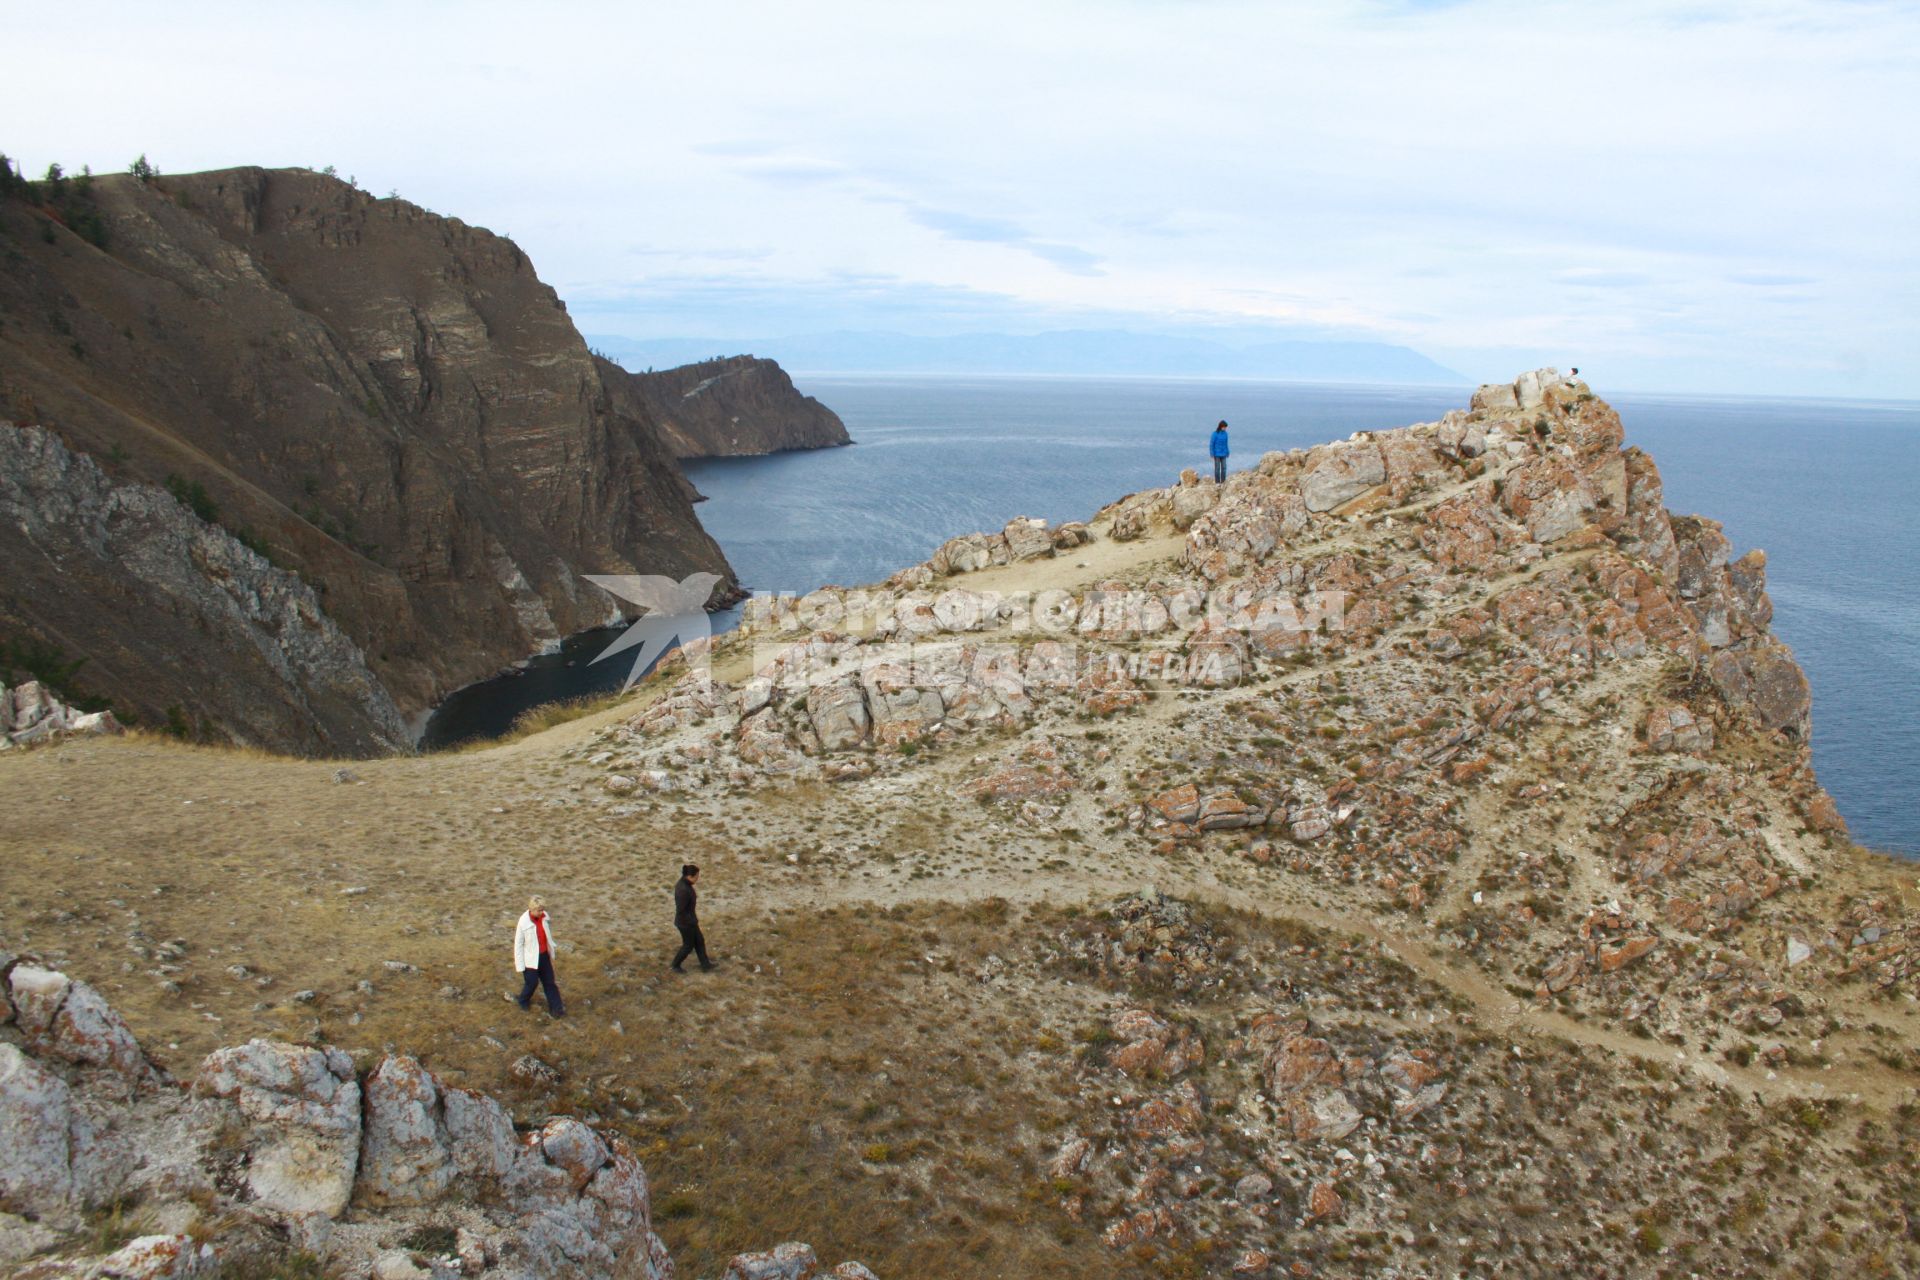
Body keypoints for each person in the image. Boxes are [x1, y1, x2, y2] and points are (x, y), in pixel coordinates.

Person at [513, 895, 565, 1017]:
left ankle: (557, 1009)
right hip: (530, 960)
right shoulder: (523, 922)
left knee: (549, 982)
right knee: (532, 983)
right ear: (531, 909)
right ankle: (523, 1000)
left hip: (544, 956)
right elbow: (518, 945)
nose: (542, 912)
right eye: (539, 910)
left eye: (543, 909)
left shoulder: (544, 917)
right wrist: (520, 965)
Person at [672, 863, 713, 972]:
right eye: (696, 877)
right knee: (688, 945)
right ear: (690, 877)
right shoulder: (683, 890)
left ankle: (705, 965)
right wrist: (690, 921)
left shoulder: (684, 884)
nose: (697, 879)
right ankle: (675, 965)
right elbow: (681, 910)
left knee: (699, 940)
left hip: (690, 921)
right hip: (685, 923)